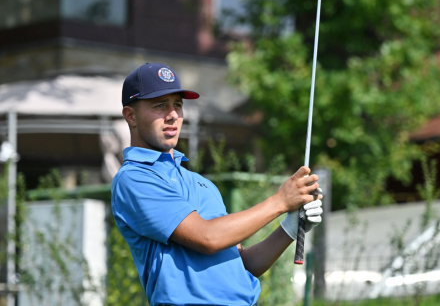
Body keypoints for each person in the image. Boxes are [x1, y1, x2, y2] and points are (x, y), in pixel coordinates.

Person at [111, 63, 323, 306]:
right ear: (130, 115)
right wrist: (281, 201)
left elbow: (243, 264)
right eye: (160, 105)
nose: (172, 115)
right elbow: (208, 238)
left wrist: (288, 227)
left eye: (177, 105)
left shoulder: (202, 184)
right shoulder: (134, 178)